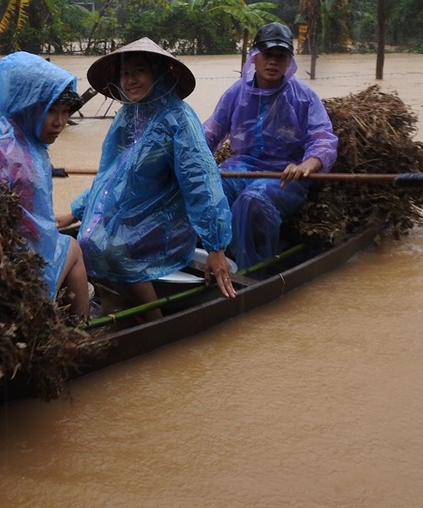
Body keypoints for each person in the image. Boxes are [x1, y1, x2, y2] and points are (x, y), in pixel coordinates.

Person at [70, 38, 236, 320]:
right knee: (85, 238)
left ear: (157, 73)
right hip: (132, 214)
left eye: (139, 71)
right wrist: (77, 210)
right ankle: (116, 304)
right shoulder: (126, 117)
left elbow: (200, 183)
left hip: (166, 221)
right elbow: (109, 177)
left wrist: (215, 246)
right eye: (124, 73)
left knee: (113, 248)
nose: (130, 80)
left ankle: (153, 319)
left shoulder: (178, 119)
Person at [203, 22, 338, 270]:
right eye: (267, 55)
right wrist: (190, 160)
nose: (273, 62)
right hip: (241, 167)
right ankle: (204, 257)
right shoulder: (236, 92)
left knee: (253, 200)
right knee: (208, 189)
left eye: (281, 56)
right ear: (255, 57)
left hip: (283, 174)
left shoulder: (303, 96)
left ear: (289, 61)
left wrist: (308, 164)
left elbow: (323, 138)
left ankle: (251, 272)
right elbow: (211, 131)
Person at [0, 51, 90, 320]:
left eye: (65, 113)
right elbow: (34, 233)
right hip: (21, 266)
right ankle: (82, 326)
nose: (60, 123)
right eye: (52, 111)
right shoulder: (26, 164)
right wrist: (51, 224)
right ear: (30, 106)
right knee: (74, 248)